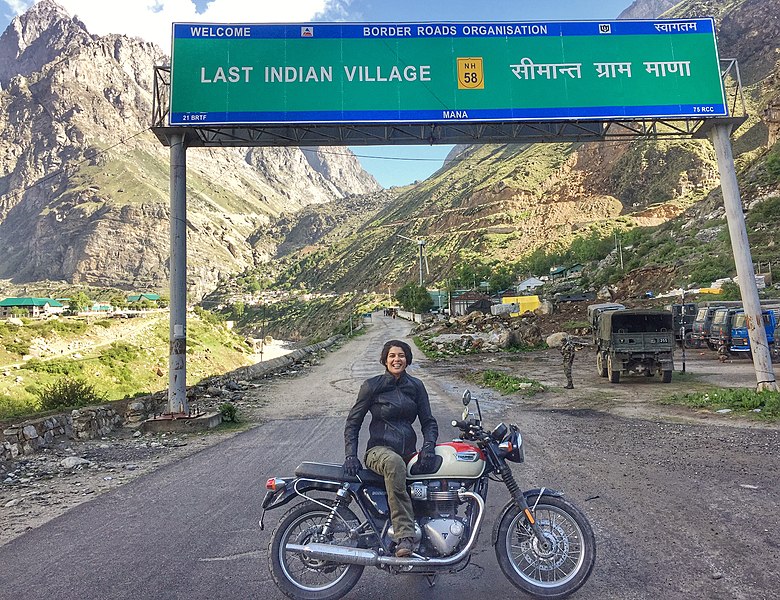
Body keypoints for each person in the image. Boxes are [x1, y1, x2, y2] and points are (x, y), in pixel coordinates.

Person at [343, 339, 438, 558]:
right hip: (379, 451)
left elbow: (428, 422)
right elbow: (353, 422)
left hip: (408, 453)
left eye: (401, 355)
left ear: (408, 359)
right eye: (392, 356)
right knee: (394, 463)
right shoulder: (372, 386)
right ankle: (404, 536)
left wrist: (429, 446)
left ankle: (430, 536)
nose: (397, 359)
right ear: (385, 360)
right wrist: (351, 454)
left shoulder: (415, 386)